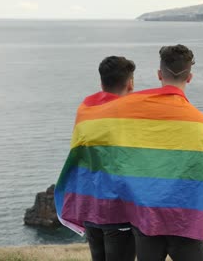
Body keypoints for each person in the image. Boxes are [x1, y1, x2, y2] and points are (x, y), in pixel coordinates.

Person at [114, 44, 203, 261]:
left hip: (146, 213)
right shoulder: (196, 120)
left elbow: (121, 154)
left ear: (159, 74)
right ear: (190, 77)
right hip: (184, 217)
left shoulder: (133, 111)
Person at [54, 56, 136, 261]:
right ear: (130, 83)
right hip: (119, 208)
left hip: (90, 204)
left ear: (101, 83)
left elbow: (79, 155)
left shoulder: (85, 111)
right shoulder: (132, 114)